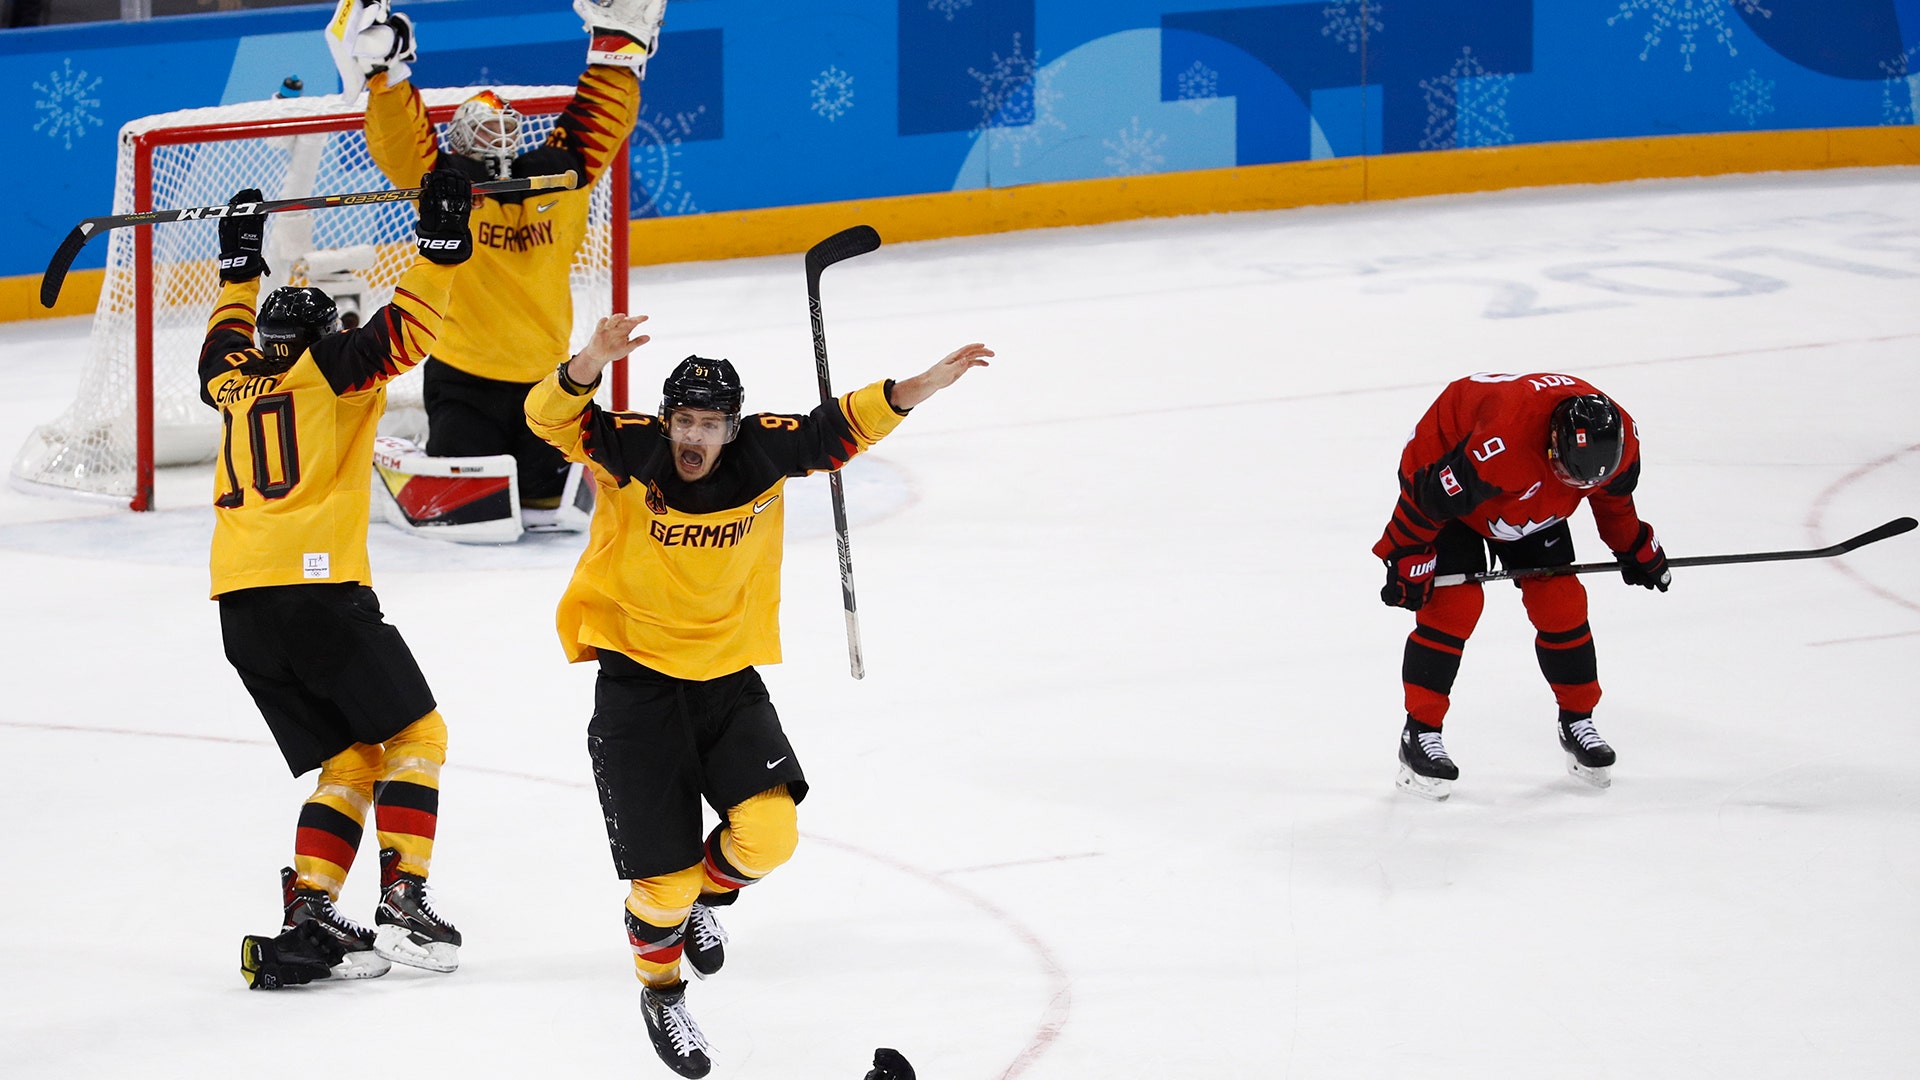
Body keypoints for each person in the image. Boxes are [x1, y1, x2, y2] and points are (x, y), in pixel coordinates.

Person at [524, 314, 992, 1077]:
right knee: (662, 884)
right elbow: (544, 417)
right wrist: (586, 363)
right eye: (685, 419)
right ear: (667, 419)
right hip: (637, 689)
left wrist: (918, 389)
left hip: (727, 681)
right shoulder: (630, 449)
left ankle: (696, 906)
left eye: (711, 424)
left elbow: (836, 429)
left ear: (733, 428)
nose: (696, 437)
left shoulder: (764, 453)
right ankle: (662, 991)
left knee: (770, 837)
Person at [202, 170, 474, 988]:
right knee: (418, 738)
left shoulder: (231, 380)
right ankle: (403, 899)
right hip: (316, 592)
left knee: (353, 756)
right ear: (324, 334)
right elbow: (411, 330)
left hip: (241, 612)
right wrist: (442, 247)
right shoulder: (331, 368)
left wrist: (239, 258)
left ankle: (312, 908)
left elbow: (222, 334)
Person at [347, 0, 664, 527]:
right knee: (472, 514)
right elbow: (406, 148)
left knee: (547, 508)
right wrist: (388, 78)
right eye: (482, 133)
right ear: (461, 143)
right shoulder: (460, 185)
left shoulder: (552, 176)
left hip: (547, 382)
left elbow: (595, 124)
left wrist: (618, 49)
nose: (495, 140)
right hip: (464, 381)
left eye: (502, 130)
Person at [1373, 372, 1671, 801]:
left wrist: (1634, 544)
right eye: (1570, 475)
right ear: (1552, 443)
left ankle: (1577, 720)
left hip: (1529, 490)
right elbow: (1429, 499)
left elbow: (1613, 502)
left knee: (1561, 601)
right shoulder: (1502, 445)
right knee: (1453, 606)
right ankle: (1419, 733)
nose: (1580, 491)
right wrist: (1405, 554)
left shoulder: (1620, 443)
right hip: (1449, 479)